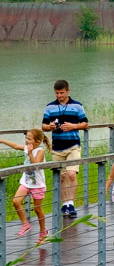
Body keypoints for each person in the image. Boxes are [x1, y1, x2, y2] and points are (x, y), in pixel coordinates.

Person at [42, 79, 88, 219]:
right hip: (57, 147)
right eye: (57, 93)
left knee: (71, 174)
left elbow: (85, 123)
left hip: (73, 145)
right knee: (61, 177)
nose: (59, 95)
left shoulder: (77, 105)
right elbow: (43, 126)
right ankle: (65, 205)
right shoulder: (49, 107)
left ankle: (71, 203)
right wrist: (49, 127)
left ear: (68, 91)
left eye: (62, 93)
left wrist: (72, 126)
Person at [1, 129, 50, 242]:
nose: (26, 140)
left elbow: (35, 165)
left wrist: (29, 153)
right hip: (26, 182)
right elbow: (16, 145)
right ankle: (25, 224)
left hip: (37, 185)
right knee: (16, 202)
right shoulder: (27, 148)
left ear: (37, 141)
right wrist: (2, 140)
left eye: (29, 139)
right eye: (26, 138)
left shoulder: (39, 151)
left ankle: (43, 231)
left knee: (37, 209)